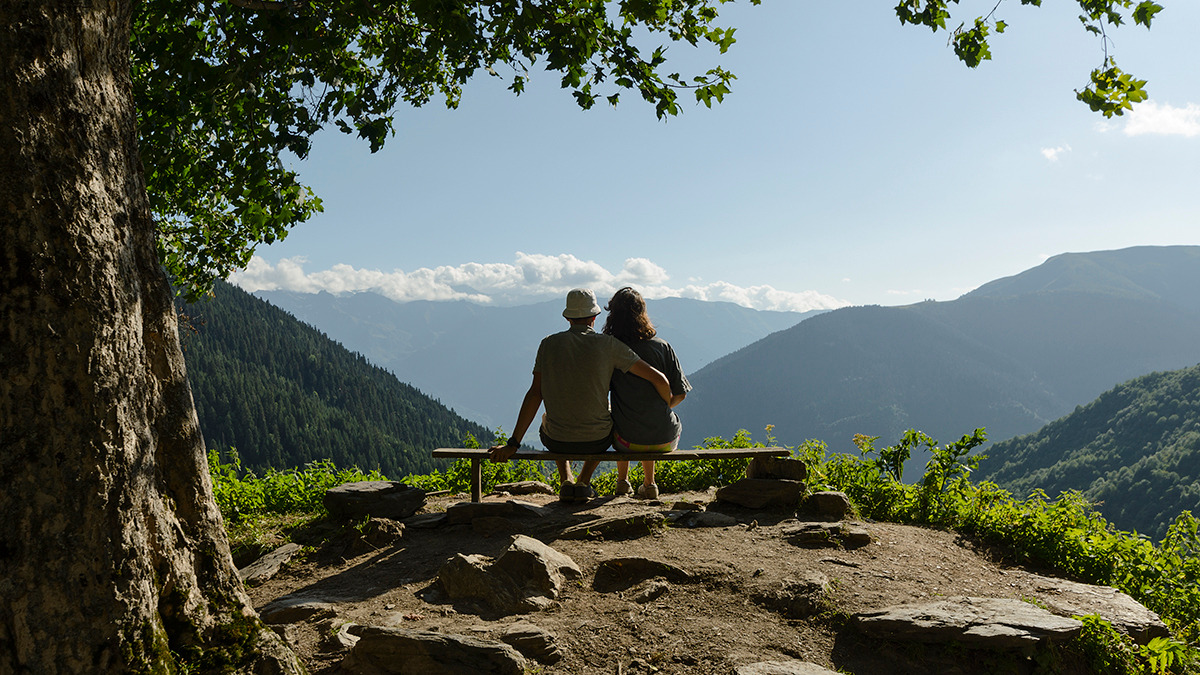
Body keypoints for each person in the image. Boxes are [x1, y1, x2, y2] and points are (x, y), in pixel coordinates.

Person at [488, 288, 672, 503]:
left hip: (556, 440)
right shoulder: (610, 345)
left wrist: (513, 443)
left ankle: (566, 478)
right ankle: (584, 480)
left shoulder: (548, 344)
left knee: (549, 416)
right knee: (610, 416)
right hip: (597, 441)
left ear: (567, 317)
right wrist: (667, 400)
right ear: (594, 317)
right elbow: (657, 378)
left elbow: (535, 393)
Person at [604, 287, 690, 500]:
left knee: (620, 417)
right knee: (649, 415)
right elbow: (680, 394)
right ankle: (649, 483)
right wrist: (663, 404)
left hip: (626, 441)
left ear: (612, 315)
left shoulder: (610, 349)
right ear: (642, 312)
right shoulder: (662, 347)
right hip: (665, 440)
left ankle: (622, 482)